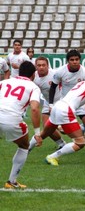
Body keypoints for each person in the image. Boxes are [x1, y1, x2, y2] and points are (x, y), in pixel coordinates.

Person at [49, 49, 85, 160]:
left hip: (81, 103)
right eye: (72, 60)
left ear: (80, 60)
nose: (75, 62)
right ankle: (79, 130)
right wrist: (51, 104)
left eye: (77, 59)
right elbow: (53, 87)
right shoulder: (60, 71)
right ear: (68, 61)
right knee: (62, 130)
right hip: (66, 103)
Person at [0, 61, 42, 189]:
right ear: (33, 74)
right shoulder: (33, 87)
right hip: (11, 120)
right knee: (24, 146)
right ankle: (11, 181)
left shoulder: (3, 82)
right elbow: (34, 109)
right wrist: (37, 133)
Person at [29, 56, 66, 151]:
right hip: (47, 101)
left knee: (64, 128)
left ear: (47, 66)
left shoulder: (54, 74)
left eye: (43, 65)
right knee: (47, 127)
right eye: (39, 65)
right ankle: (62, 144)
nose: (41, 67)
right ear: (35, 66)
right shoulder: (33, 76)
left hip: (60, 101)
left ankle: (81, 131)